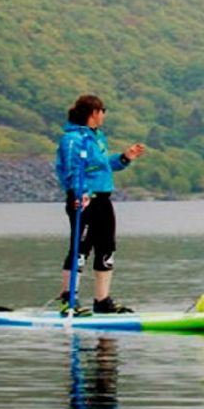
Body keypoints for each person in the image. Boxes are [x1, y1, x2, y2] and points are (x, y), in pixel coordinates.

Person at [56, 95, 147, 313]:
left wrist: (125, 158)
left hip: (103, 199)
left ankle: (102, 300)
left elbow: (103, 166)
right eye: (103, 110)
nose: (104, 114)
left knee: (106, 247)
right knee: (81, 247)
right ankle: (69, 299)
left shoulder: (98, 138)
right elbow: (70, 170)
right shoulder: (72, 140)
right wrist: (81, 193)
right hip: (84, 200)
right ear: (94, 112)